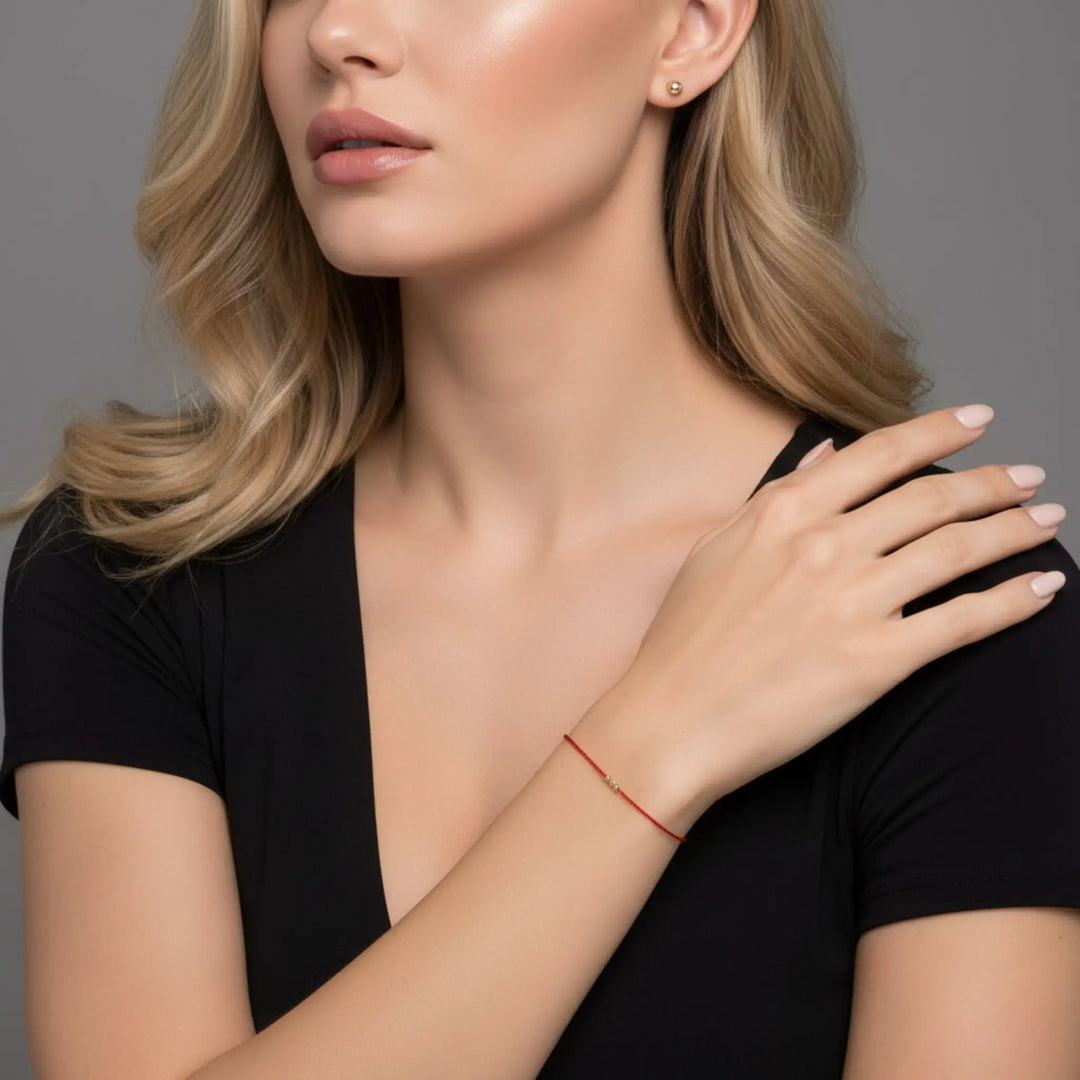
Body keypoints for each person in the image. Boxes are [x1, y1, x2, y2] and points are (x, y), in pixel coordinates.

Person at [1, 0, 1078, 1076]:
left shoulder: (936, 600)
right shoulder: (134, 563)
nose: (340, 32)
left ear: (692, 31)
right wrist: (658, 737)